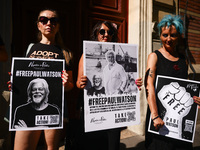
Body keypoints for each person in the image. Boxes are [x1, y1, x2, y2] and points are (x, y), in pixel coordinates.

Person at [76, 21, 142, 150]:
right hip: (95, 107)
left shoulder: (120, 66)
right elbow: (78, 82)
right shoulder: (88, 57)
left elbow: (125, 80)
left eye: (110, 32)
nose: (106, 34)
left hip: (114, 106)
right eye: (102, 31)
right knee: (94, 141)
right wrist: (82, 83)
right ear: (96, 33)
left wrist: (135, 83)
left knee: (112, 141)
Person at [13, 9, 74, 150]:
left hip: (53, 107)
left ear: (58, 26)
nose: (49, 23)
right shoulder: (30, 48)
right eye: (44, 20)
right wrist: (15, 84)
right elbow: (23, 78)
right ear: (38, 25)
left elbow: (70, 85)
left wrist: (66, 84)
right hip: (27, 108)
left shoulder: (65, 53)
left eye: (54, 20)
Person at [144, 15, 198, 150]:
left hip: (178, 119)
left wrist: (194, 100)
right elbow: (149, 86)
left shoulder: (183, 59)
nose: (168, 39)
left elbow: (186, 87)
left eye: (173, 35)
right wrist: (155, 116)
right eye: (165, 35)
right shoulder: (154, 56)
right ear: (160, 35)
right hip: (159, 116)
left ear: (179, 36)